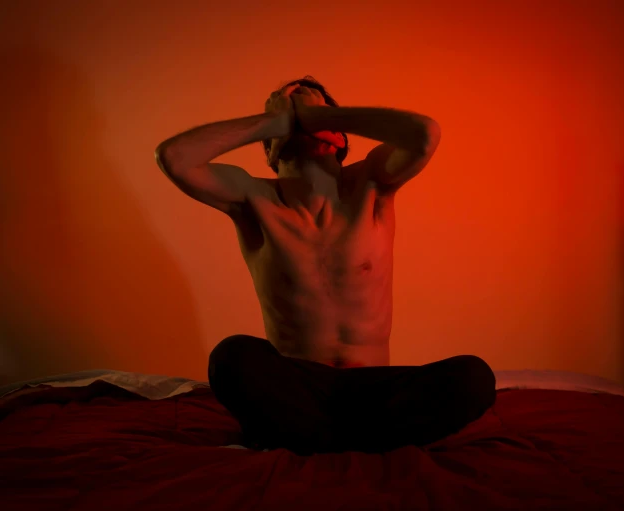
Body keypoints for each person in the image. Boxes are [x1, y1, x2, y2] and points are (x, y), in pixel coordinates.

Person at [154, 76, 496, 455]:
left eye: (314, 114)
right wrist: (274, 123)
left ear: (341, 136)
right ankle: (355, 440)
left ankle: (314, 439)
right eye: (292, 115)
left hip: (374, 386)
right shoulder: (253, 198)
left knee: (473, 376)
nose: (302, 120)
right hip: (299, 387)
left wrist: (319, 118)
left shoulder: (371, 183)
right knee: (230, 357)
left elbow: (425, 134)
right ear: (269, 148)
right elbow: (174, 158)